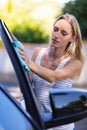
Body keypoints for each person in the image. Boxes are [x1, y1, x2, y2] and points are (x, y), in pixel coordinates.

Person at [19, 13, 84, 130]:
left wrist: (29, 63)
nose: (56, 35)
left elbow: (53, 77)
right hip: (37, 122)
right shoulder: (37, 52)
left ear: (73, 38)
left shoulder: (75, 62)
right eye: (55, 29)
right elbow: (25, 85)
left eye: (63, 33)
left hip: (60, 126)